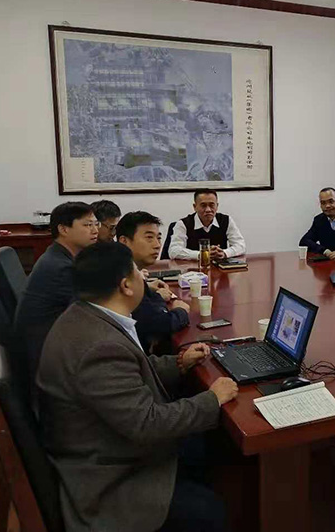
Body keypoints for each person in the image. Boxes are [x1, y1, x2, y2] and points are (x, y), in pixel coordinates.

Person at [36, 242, 238, 532]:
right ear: (126, 286)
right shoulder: (99, 346)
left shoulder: (85, 315)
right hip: (112, 477)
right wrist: (212, 398)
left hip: (107, 442)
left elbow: (131, 370)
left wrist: (178, 363)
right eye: (137, 273)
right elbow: (147, 424)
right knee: (209, 509)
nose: (144, 278)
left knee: (209, 446)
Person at [13, 201, 99, 394]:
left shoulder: (58, 256)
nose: (95, 230)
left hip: (46, 347)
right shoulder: (62, 267)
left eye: (96, 224)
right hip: (46, 362)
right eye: (87, 225)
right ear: (63, 229)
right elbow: (91, 310)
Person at [117, 211, 190, 353]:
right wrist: (180, 311)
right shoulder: (124, 276)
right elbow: (157, 324)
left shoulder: (130, 269)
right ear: (124, 241)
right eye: (149, 238)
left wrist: (156, 297)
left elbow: (150, 309)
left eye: (159, 238)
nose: (157, 245)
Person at [168, 189, 246, 261]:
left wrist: (224, 253)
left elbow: (241, 245)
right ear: (195, 207)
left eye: (212, 205)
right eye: (203, 205)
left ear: (217, 206)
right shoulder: (183, 224)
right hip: (192, 268)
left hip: (220, 268)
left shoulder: (226, 220)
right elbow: (174, 251)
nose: (208, 210)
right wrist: (202, 254)